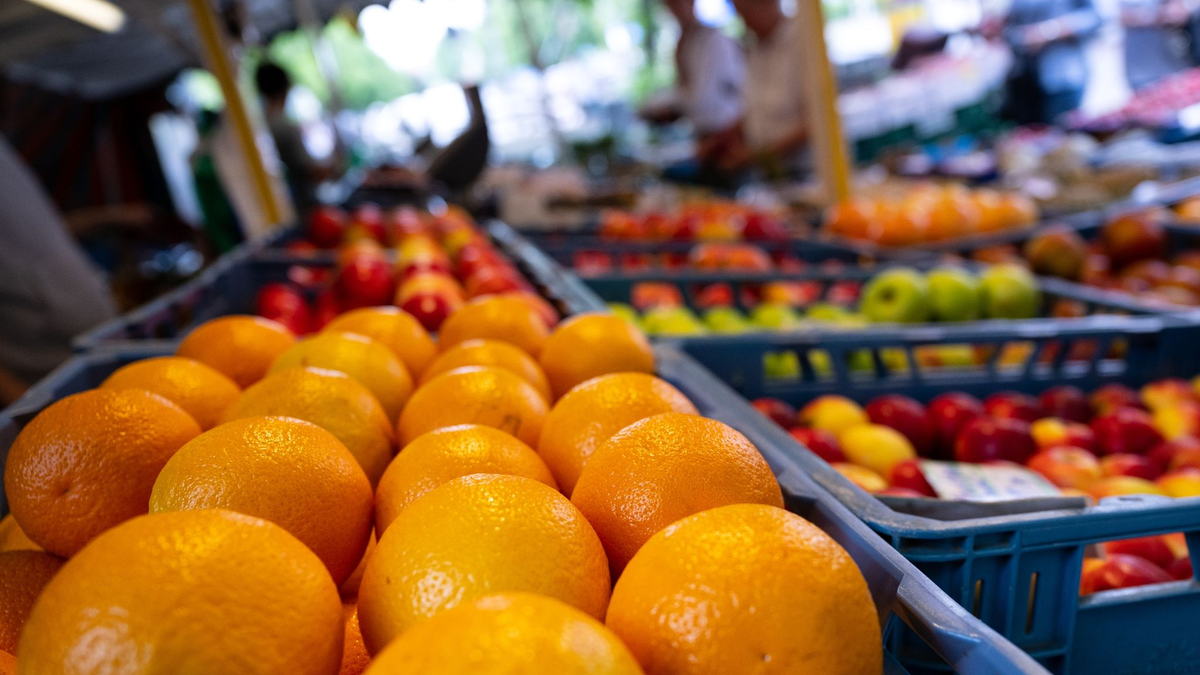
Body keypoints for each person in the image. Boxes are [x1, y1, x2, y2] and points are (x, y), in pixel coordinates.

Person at [0, 137, 119, 404]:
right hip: (47, 371)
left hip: (102, 339)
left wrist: (113, 216)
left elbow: (34, 234)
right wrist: (25, 404)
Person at [722, 0, 810, 177]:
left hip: (807, 173)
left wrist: (759, 156)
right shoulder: (755, 48)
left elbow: (816, 121)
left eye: (747, 13)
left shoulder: (804, 41)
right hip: (770, 175)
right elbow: (757, 110)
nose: (745, 23)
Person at [254, 61, 338, 213]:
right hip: (301, 208)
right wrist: (337, 164)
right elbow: (313, 173)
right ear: (286, 88)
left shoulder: (259, 126)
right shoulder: (284, 127)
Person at [1002, 0, 1102, 124]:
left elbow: (1096, 16)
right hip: (1025, 81)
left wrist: (1049, 31)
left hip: (1062, 77)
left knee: (1062, 134)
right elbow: (1012, 26)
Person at [663, 0, 745, 138]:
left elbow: (700, 97)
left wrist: (669, 106)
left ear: (692, 3)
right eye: (670, 5)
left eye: (678, 3)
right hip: (703, 131)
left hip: (725, 131)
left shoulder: (712, 40)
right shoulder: (686, 43)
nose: (675, 11)